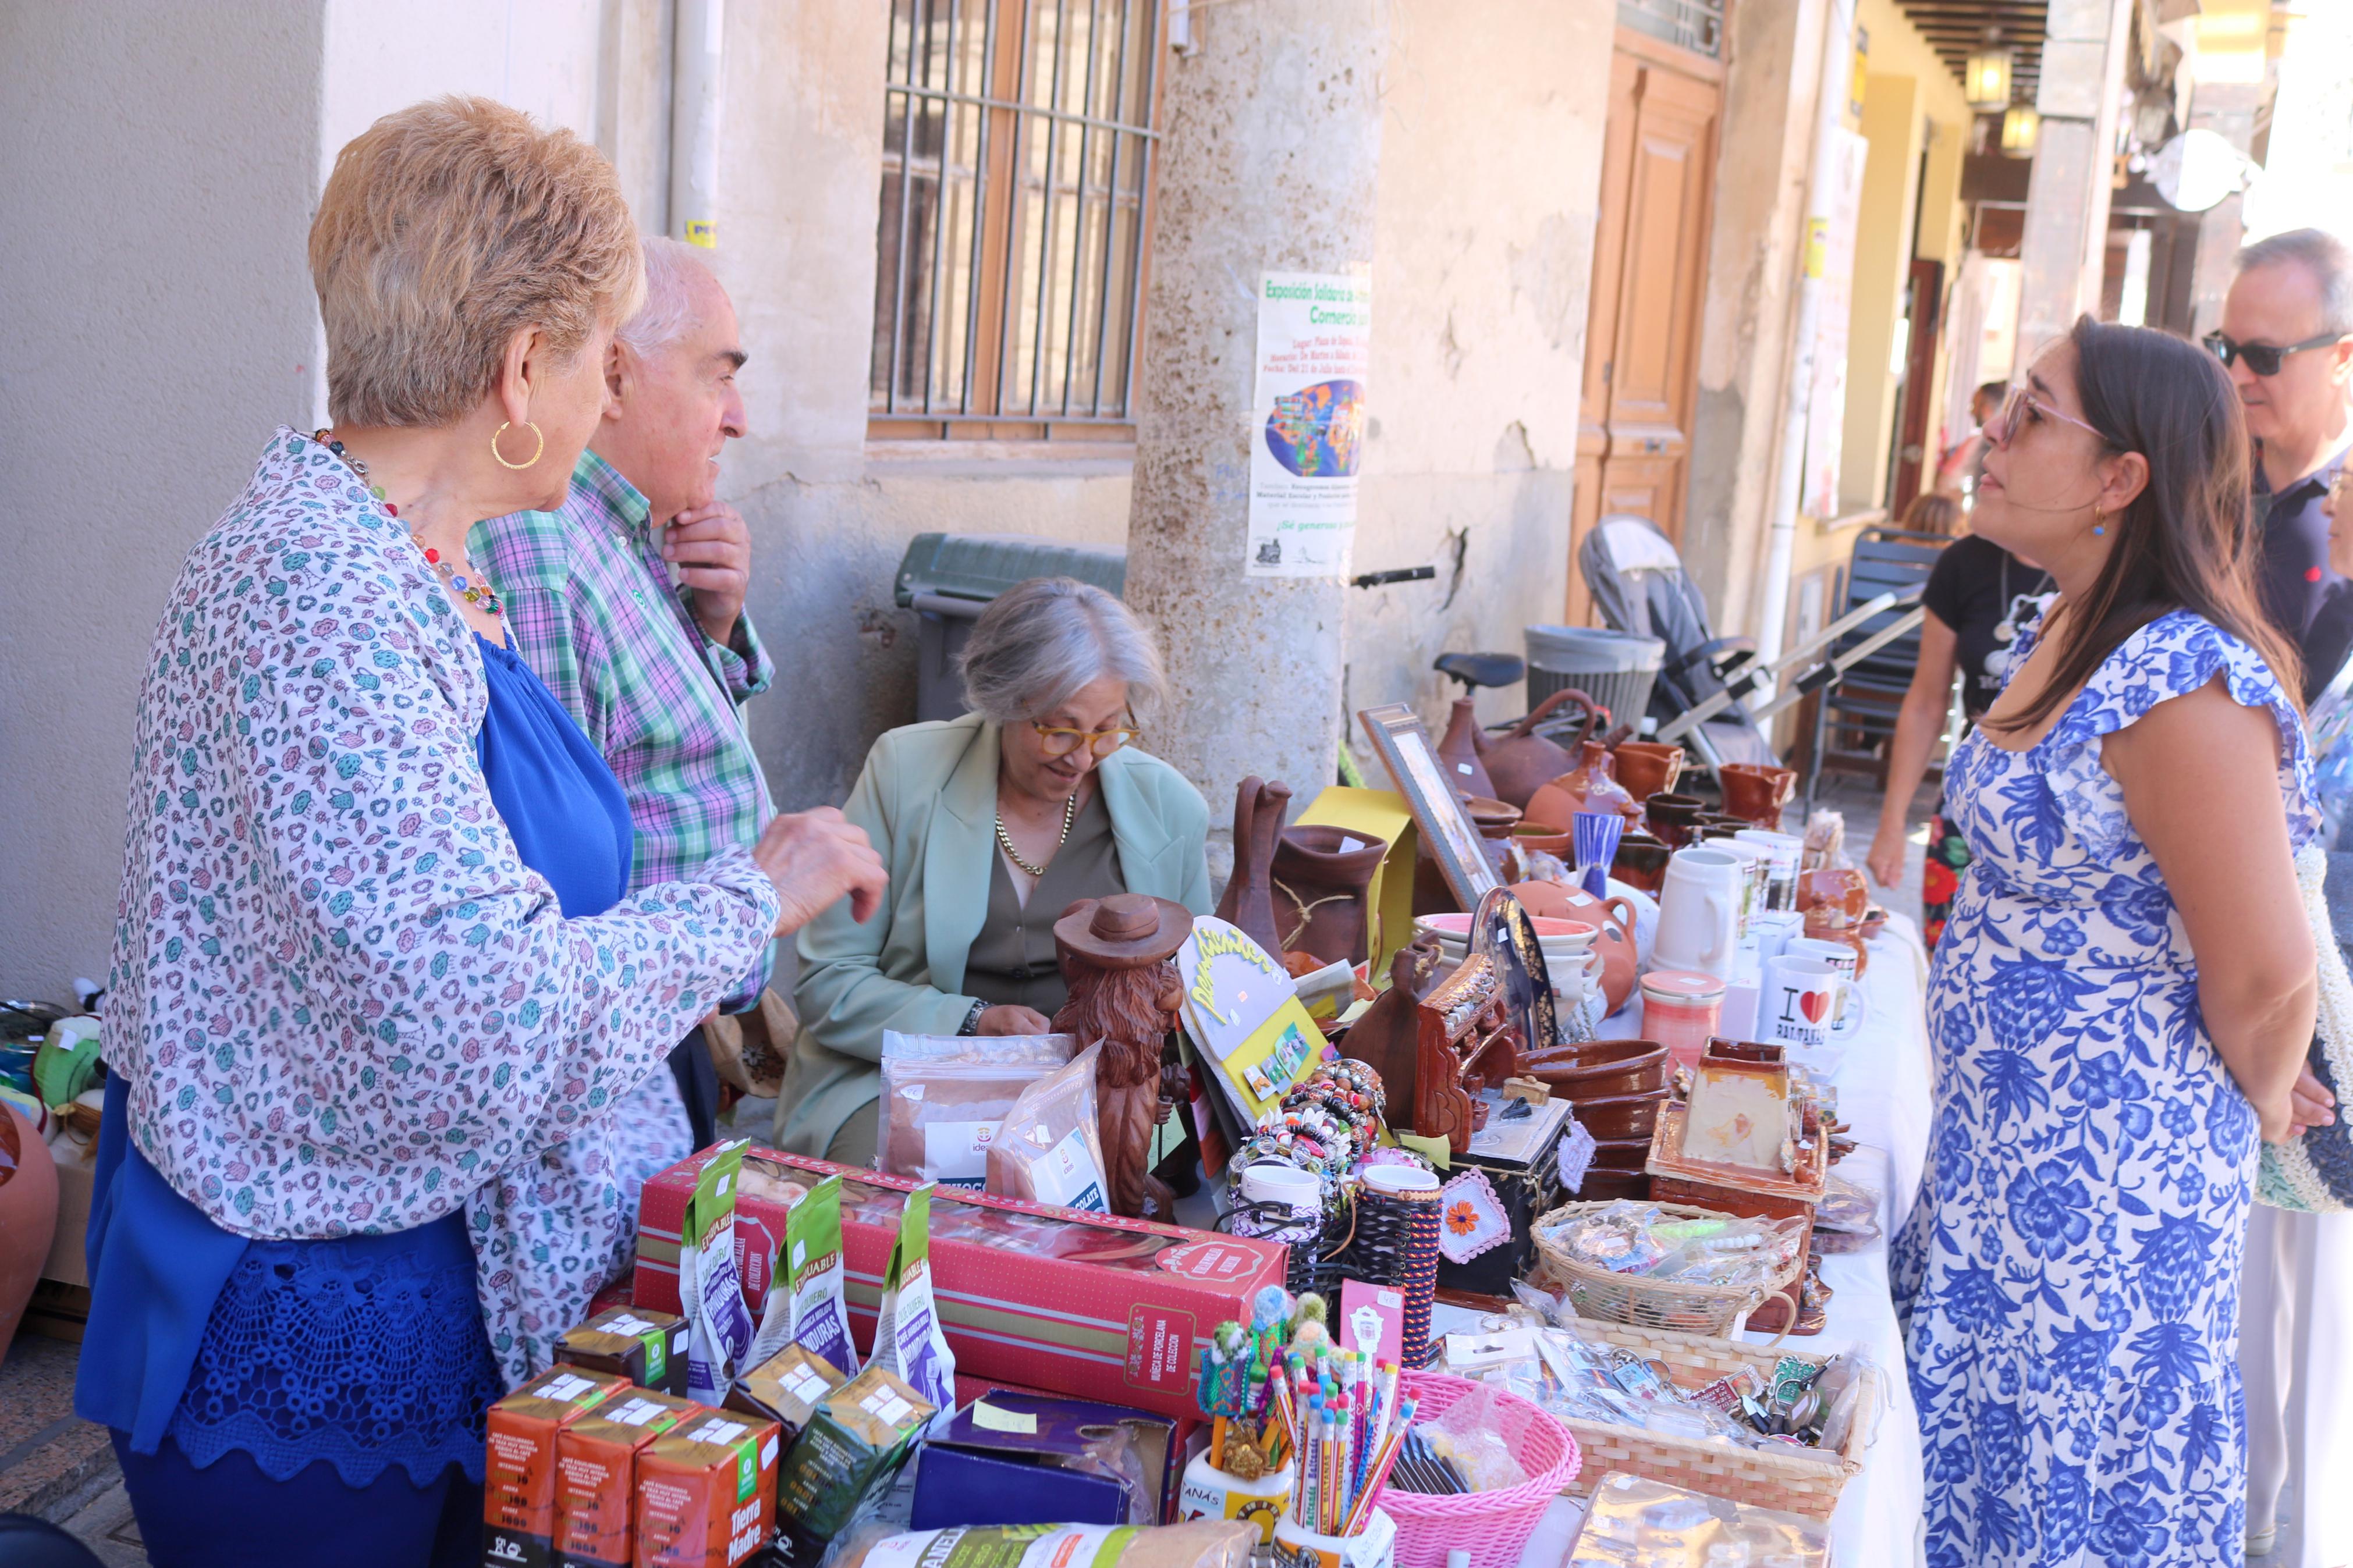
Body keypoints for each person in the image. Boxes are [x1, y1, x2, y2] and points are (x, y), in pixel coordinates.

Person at [75, 98, 885, 1567]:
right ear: (523, 369)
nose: (613, 385)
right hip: (309, 1360)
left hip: (444, 1315)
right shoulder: (320, 600)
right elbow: (489, 1015)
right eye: (602, 353)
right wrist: (749, 902)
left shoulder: (407, 563)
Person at [1890, 318, 2337, 1563]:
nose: (1988, 432)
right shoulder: (2061, 625)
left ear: (2117, 478)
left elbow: (2261, 970)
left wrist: (2246, 1096)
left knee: (2060, 1506)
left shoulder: (2180, 680)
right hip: (2000, 1182)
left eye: (2029, 414)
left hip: (2100, 1218)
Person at [472, 236, 772, 1156]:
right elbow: (562, 874)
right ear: (614, 374)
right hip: (609, 1067)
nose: (738, 418)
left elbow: (654, 760)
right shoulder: (544, 545)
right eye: (716, 379)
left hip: (660, 1018)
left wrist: (714, 629)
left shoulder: (629, 528)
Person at [782, 578, 1212, 1164]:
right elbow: (829, 981)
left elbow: (1190, 1007)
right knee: (925, 1195)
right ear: (1002, 699)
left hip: (1096, 1094)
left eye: (1108, 728)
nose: (1082, 756)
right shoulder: (904, 772)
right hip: (900, 1076)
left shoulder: (1170, 809)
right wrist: (972, 1022)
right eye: (1059, 729)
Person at [2238, 464, 2353, 1568]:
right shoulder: (2337, 624)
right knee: (2267, 1327)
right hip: (2305, 1034)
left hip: (2334, 1048)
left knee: (2323, 1345)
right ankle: (2261, 1534)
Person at [1865, 494, 2052, 947]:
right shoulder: (1964, 562)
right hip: (1971, 800)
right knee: (1944, 952)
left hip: (2059, 810)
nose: (1994, 449)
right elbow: (1927, 702)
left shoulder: (2103, 569)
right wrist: (1891, 824)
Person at [2213, 228, 2353, 700]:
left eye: (2264, 356)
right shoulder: (2196, 473)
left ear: (2341, 357)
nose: (2236, 375)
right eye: (2225, 350)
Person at [1934, 379, 2007, 502]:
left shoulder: (1978, 442)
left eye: (1974, 406)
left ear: (1986, 410)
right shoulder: (2006, 442)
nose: (1971, 412)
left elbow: (1946, 481)